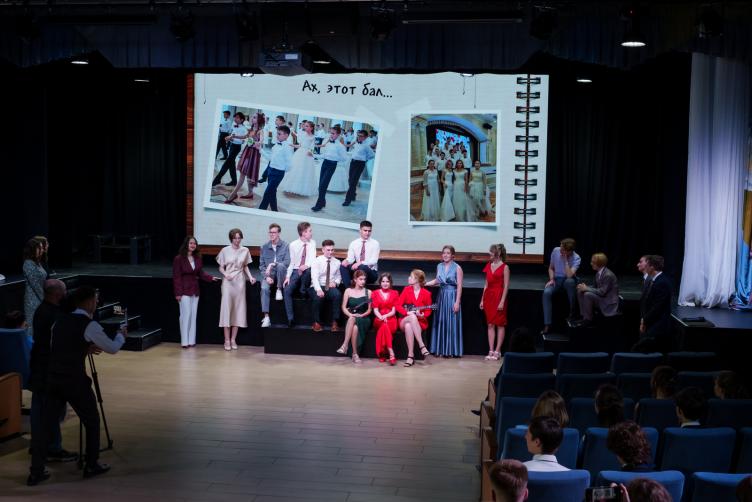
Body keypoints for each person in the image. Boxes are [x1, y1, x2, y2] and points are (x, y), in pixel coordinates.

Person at [28, 286, 126, 486]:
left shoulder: (59, 321)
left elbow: (60, 348)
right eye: (95, 300)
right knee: (92, 420)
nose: (96, 304)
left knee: (45, 427)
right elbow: (112, 348)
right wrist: (121, 336)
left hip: (53, 380)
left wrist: (83, 348)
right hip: (74, 381)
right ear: (88, 302)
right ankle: (91, 464)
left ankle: (35, 472)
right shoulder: (89, 325)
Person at [29, 279, 77, 464]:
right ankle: (51, 447)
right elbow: (57, 342)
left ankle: (39, 444)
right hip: (48, 368)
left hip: (39, 366)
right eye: (64, 291)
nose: (66, 295)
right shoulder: (54, 315)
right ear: (57, 294)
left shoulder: (41, 310)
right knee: (51, 409)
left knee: (40, 408)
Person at [173, 236, 219, 348]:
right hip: (184, 290)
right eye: (191, 243)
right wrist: (178, 293)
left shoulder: (197, 258)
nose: (193, 245)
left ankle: (191, 341)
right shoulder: (179, 259)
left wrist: (210, 278)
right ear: (186, 244)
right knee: (186, 315)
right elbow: (176, 277)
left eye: (194, 243)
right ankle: (184, 342)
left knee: (193, 315)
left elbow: (200, 273)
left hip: (195, 290)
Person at [217, 228, 256, 351]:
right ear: (231, 239)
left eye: (239, 238)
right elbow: (220, 267)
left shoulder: (245, 250)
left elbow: (245, 266)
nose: (237, 240)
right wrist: (225, 274)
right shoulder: (225, 250)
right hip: (228, 282)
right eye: (235, 238)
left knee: (238, 310)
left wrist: (250, 277)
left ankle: (233, 339)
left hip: (240, 282)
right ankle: (226, 340)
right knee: (227, 309)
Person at [426, 245, 463, 357]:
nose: (445, 255)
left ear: (452, 255)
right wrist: (425, 283)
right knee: (441, 321)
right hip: (442, 296)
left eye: (448, 253)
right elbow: (437, 280)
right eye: (444, 253)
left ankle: (451, 350)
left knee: (451, 323)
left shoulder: (457, 268)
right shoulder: (439, 266)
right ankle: (440, 349)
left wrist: (457, 302)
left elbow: (460, 286)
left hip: (452, 296)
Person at [633, 255, 673, 353]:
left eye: (646, 266)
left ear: (652, 267)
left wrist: (644, 320)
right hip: (651, 322)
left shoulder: (662, 282)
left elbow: (657, 307)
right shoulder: (655, 280)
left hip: (657, 325)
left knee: (648, 351)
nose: (645, 268)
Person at [541, 238, 580, 335]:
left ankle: (572, 314)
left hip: (568, 280)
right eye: (560, 247)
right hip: (557, 279)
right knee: (546, 292)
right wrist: (551, 279)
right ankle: (547, 324)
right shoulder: (556, 250)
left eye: (563, 249)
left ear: (569, 251)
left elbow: (569, 275)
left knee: (570, 282)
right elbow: (551, 268)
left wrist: (566, 260)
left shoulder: (576, 258)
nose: (560, 250)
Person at [225, 112, 265, 203]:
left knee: (246, 172)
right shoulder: (251, 129)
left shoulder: (260, 131)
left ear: (258, 120)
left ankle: (233, 194)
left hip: (254, 154)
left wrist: (258, 143)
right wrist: (233, 136)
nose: (252, 118)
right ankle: (250, 193)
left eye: (254, 117)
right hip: (247, 151)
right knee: (244, 172)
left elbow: (262, 140)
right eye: (253, 117)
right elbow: (244, 137)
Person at [396, 269, 433, 367]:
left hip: (419, 322)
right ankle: (422, 346)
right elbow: (398, 305)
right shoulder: (406, 289)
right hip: (404, 320)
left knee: (409, 326)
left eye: (411, 277)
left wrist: (422, 315)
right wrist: (407, 312)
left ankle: (410, 356)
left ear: (416, 280)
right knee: (411, 317)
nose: (409, 278)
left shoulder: (426, 293)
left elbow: (428, 311)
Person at [481, 243, 510, 361]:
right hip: (489, 297)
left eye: (492, 252)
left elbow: (506, 286)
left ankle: (498, 351)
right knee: (490, 324)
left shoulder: (505, 267)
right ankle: (491, 350)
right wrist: (482, 299)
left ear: (498, 254)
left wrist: (502, 301)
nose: (490, 254)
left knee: (500, 324)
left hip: (499, 296)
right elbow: (486, 284)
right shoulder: (489, 265)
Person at [284, 222, 316, 327]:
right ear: (303, 233)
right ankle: (290, 319)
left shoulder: (313, 243)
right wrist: (287, 277)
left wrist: (306, 265)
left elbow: (313, 259)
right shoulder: (293, 245)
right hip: (295, 270)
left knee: (307, 271)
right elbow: (292, 263)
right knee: (287, 290)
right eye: (309, 231)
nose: (311, 233)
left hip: (307, 269)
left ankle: (303, 290)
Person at [574, 252, 619, 326]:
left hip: (607, 301)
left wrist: (587, 288)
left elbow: (602, 292)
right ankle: (584, 316)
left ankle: (588, 319)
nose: (591, 264)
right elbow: (595, 287)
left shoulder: (608, 275)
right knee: (580, 291)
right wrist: (584, 287)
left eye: (593, 262)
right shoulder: (598, 273)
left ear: (599, 263)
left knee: (588, 294)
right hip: (602, 297)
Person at [259, 223, 290, 328]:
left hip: (281, 275)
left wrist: (272, 264)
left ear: (279, 233)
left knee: (280, 266)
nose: (272, 234)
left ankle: (279, 289)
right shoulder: (264, 247)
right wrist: (266, 277)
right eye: (270, 232)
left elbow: (287, 262)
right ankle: (266, 317)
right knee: (264, 288)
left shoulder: (285, 245)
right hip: (269, 275)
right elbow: (262, 265)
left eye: (274, 232)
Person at [338, 270, 372, 363]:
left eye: (364, 279)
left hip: (364, 318)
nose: (363, 281)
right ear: (355, 279)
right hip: (351, 317)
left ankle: (345, 345)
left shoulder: (368, 292)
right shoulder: (348, 291)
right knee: (355, 327)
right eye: (360, 279)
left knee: (353, 320)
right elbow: (343, 307)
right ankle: (355, 354)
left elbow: (369, 310)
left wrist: (361, 315)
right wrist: (350, 314)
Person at [258, 125, 295, 212]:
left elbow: (289, 163)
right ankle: (275, 210)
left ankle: (260, 211)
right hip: (270, 171)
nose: (277, 135)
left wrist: (282, 170)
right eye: (277, 133)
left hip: (278, 173)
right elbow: (270, 158)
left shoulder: (287, 147)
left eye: (279, 134)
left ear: (286, 135)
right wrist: (260, 150)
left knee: (267, 193)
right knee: (272, 192)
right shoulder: (275, 146)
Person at [311, 125, 348, 212]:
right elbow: (325, 155)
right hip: (325, 163)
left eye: (333, 133)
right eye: (331, 133)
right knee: (321, 184)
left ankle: (319, 204)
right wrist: (314, 155)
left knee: (323, 185)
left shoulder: (340, 146)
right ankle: (323, 201)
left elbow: (344, 158)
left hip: (332, 165)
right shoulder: (328, 143)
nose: (331, 135)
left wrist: (334, 159)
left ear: (338, 134)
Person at [309, 240, 342, 333]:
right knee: (318, 297)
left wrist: (336, 282)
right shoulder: (317, 261)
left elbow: (338, 276)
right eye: (328, 250)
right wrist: (318, 290)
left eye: (332, 250)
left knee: (337, 295)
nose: (330, 252)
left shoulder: (337, 262)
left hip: (330, 286)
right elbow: (314, 277)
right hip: (317, 285)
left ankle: (335, 322)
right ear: (323, 250)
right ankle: (316, 322)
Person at [279, 120, 317, 197]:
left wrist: (311, 152)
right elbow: (300, 145)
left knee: (303, 172)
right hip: (299, 153)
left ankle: (300, 189)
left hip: (307, 156)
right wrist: (292, 145)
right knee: (294, 169)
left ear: (311, 128)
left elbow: (312, 147)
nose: (305, 127)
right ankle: (291, 187)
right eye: (305, 125)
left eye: (307, 126)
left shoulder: (313, 137)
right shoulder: (303, 134)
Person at [212, 112, 248, 186]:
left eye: (237, 117)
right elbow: (232, 135)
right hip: (232, 146)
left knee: (226, 163)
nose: (235, 119)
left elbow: (243, 140)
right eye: (235, 117)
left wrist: (233, 138)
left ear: (242, 119)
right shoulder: (234, 126)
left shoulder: (243, 128)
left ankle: (217, 179)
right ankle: (234, 181)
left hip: (236, 148)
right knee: (231, 164)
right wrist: (229, 138)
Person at [341, 220, 380, 286]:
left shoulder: (375, 243)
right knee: (343, 266)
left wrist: (361, 262)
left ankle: (360, 288)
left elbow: (374, 261)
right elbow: (350, 259)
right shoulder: (354, 243)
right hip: (358, 270)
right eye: (365, 230)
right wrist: (346, 261)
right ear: (360, 230)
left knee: (362, 267)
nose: (367, 233)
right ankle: (349, 288)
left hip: (371, 273)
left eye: (369, 231)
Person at [372, 272, 399, 365]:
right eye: (383, 281)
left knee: (385, 326)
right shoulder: (375, 293)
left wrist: (386, 316)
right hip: (379, 318)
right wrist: (381, 317)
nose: (385, 283)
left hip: (391, 318)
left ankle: (382, 353)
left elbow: (393, 311)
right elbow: (375, 310)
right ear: (380, 283)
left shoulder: (395, 293)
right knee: (383, 324)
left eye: (387, 281)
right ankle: (391, 353)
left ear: (390, 282)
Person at [343, 129, 376, 206]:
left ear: (365, 137)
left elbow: (372, 155)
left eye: (361, 136)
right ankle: (353, 194)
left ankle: (348, 200)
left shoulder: (366, 146)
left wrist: (364, 159)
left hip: (360, 164)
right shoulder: (356, 143)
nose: (359, 137)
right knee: (350, 180)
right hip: (353, 162)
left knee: (353, 182)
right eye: (358, 135)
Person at [23, 238, 46, 334]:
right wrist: (46, 301)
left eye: (42, 248)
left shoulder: (37, 263)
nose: (42, 250)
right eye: (39, 248)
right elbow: (36, 285)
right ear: (32, 249)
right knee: (33, 327)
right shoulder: (28, 264)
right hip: (33, 301)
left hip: (40, 298)